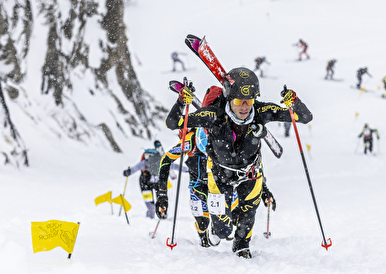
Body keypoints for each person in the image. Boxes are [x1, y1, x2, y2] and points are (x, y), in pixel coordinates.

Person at [163, 67, 313, 258]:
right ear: (229, 99)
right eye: (239, 101)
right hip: (219, 176)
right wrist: (181, 102)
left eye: (249, 101)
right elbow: (173, 123)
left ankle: (242, 246)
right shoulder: (213, 115)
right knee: (222, 230)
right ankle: (216, 231)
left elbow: (305, 117)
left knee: (248, 214)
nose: (244, 107)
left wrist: (295, 101)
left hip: (250, 174)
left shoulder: (261, 111)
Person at [156, 127, 215, 247]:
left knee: (224, 222)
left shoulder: (225, 131)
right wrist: (162, 194)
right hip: (197, 184)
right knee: (202, 223)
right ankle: (203, 237)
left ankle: (218, 231)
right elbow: (165, 161)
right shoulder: (190, 140)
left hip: (220, 184)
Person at [123, 140, 183, 218]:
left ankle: (160, 214)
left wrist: (128, 172)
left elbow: (135, 168)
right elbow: (174, 166)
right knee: (154, 203)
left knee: (159, 202)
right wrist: (188, 169)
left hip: (152, 183)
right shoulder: (147, 163)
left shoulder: (149, 162)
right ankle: (151, 217)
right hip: (146, 183)